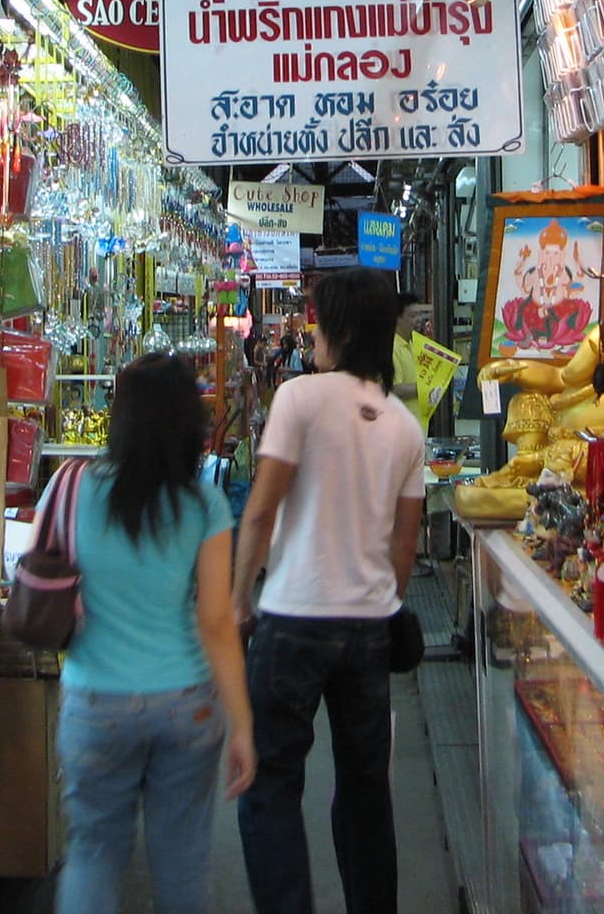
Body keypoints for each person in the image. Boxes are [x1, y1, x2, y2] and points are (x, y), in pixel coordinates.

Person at [232, 268, 426, 914]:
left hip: (293, 618)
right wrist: (384, 601)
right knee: (367, 788)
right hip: (368, 627)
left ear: (338, 328)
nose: (310, 331)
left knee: (271, 785)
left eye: (317, 320)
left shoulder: (300, 400)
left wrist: (238, 601)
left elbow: (260, 512)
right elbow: (406, 544)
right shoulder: (403, 426)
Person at [47, 353, 255, 914]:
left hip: (94, 702)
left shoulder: (71, 487)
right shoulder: (203, 504)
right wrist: (242, 723)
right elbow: (215, 622)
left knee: (92, 852)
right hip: (185, 704)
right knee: (183, 866)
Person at [390, 290, 429, 410]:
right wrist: (426, 388)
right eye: (413, 315)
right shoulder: (392, 348)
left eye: (419, 315)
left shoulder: (414, 344)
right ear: (398, 318)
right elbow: (395, 389)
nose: (418, 320)